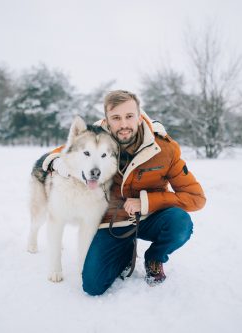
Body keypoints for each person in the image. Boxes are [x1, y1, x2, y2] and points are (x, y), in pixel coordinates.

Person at [45, 90, 206, 296]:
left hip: (150, 217)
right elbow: (62, 152)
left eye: (129, 116)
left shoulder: (164, 148)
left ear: (139, 116)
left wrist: (146, 202)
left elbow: (196, 198)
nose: (123, 124)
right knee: (93, 286)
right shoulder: (96, 137)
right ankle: (124, 251)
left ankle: (155, 258)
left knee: (180, 223)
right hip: (114, 223)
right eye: (116, 118)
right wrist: (55, 162)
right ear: (107, 120)